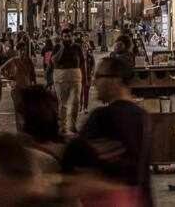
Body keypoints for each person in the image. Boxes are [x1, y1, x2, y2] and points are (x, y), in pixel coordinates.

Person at [64, 56, 152, 207]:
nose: (94, 82)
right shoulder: (143, 116)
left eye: (99, 76)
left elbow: (71, 159)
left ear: (115, 80)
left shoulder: (102, 117)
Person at [53, 30, 86, 135]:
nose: (67, 38)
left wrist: (85, 77)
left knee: (75, 101)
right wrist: (62, 48)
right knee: (63, 103)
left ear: (72, 36)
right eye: (65, 36)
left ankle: (72, 125)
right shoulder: (58, 47)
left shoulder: (77, 47)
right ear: (62, 37)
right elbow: (53, 60)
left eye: (69, 36)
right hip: (61, 77)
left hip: (75, 76)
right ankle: (62, 126)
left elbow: (82, 62)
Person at [0, 43, 38, 130]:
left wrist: (34, 86)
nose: (22, 52)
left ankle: (25, 130)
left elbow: (33, 75)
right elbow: (1, 69)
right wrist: (9, 77)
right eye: (20, 50)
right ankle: (20, 131)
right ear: (17, 51)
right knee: (18, 112)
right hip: (17, 89)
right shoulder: (14, 60)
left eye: (23, 50)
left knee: (27, 111)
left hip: (27, 89)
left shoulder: (29, 61)